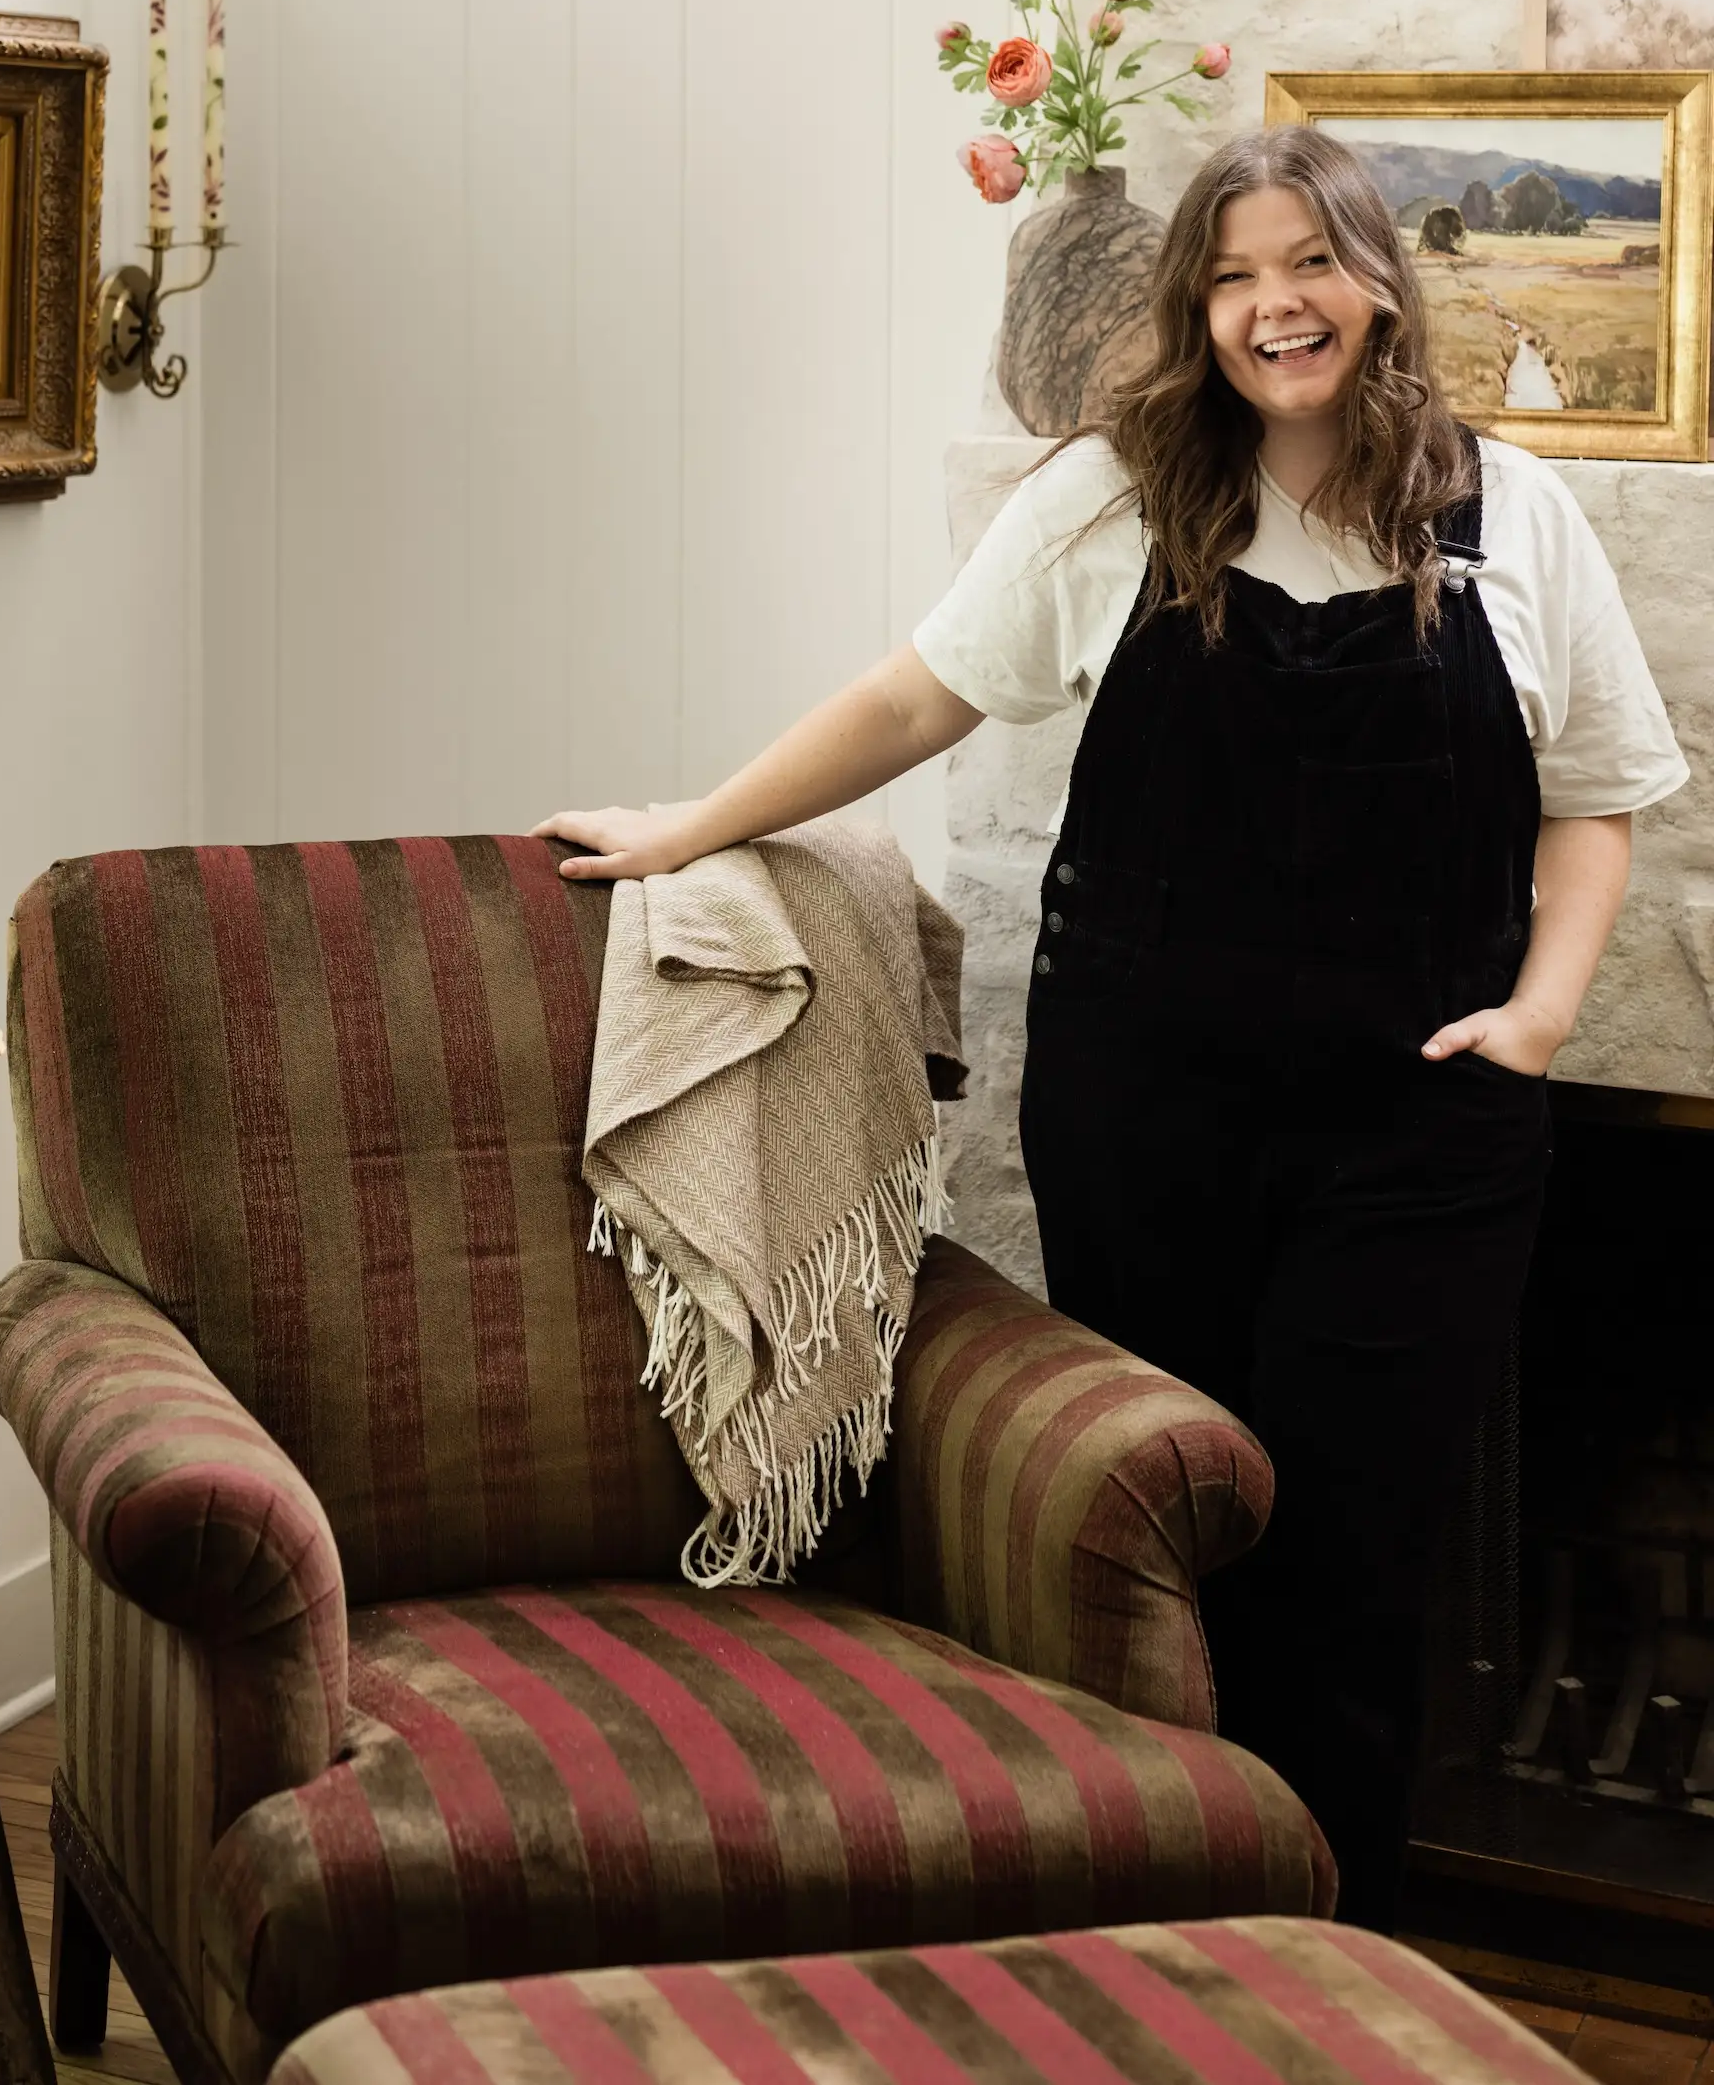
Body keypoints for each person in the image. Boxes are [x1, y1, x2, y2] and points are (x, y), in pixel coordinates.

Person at [534, 124, 1686, 1929]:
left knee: (1360, 1574)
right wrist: (697, 827)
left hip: (1424, 1141)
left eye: (1306, 261)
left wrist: (1539, 1020)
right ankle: (1156, 1946)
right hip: (1152, 1114)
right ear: (1193, 306)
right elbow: (916, 695)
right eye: (1230, 274)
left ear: (1376, 282)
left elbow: (1597, 803)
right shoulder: (1107, 496)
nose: (1270, 305)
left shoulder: (1514, 509)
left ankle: (1327, 1974)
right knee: (1156, 1542)